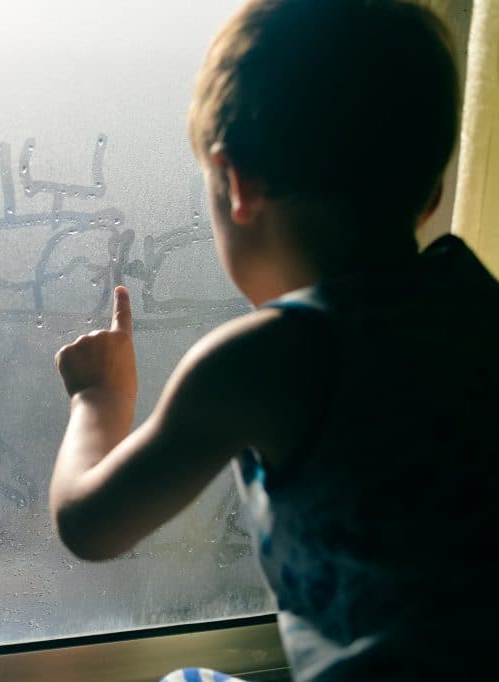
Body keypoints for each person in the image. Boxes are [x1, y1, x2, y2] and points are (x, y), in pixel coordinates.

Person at [47, 1, 499, 680]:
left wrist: (97, 399)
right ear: (433, 192)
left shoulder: (266, 359)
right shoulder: (475, 302)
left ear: (237, 185)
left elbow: (89, 525)